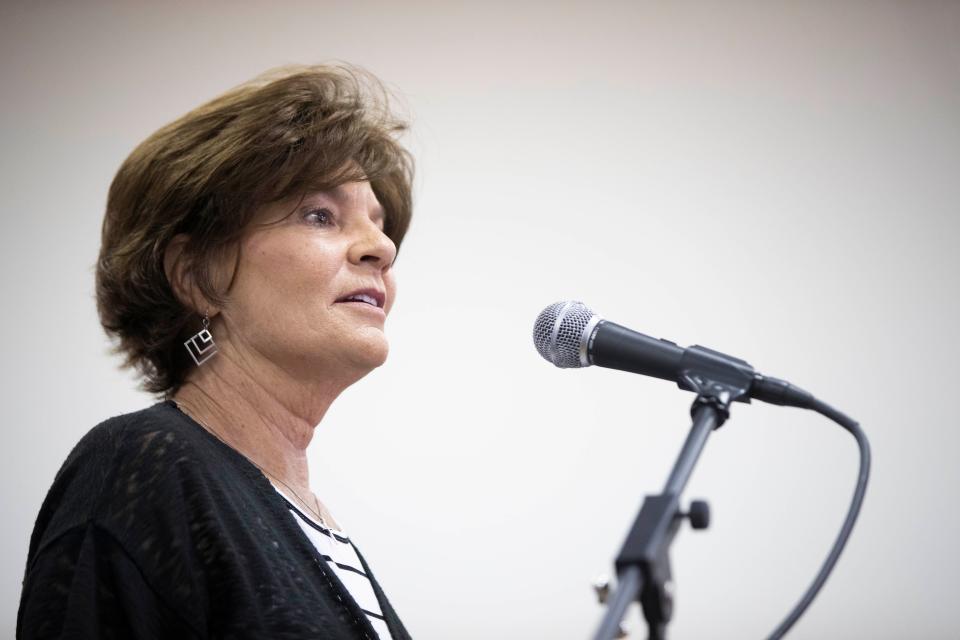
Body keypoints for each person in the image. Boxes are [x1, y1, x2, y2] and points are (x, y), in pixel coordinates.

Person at [17, 63, 414, 640]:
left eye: (379, 225)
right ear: (198, 277)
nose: (381, 247)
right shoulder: (143, 466)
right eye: (319, 215)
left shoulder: (316, 524)